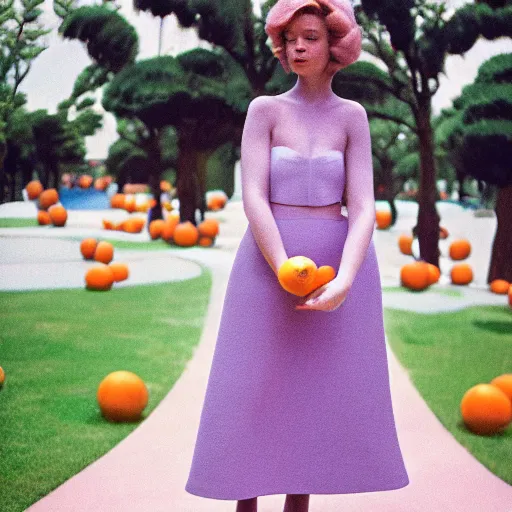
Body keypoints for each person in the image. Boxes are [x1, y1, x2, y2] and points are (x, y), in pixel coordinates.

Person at [185, 1, 409, 510]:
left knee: (312, 399)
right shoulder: (264, 111)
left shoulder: (353, 117)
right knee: (255, 391)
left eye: (310, 36)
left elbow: (364, 206)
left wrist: (345, 281)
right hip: (266, 266)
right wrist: (283, 263)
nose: (298, 46)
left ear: (335, 44)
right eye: (290, 39)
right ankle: (245, 499)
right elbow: (253, 198)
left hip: (334, 267)